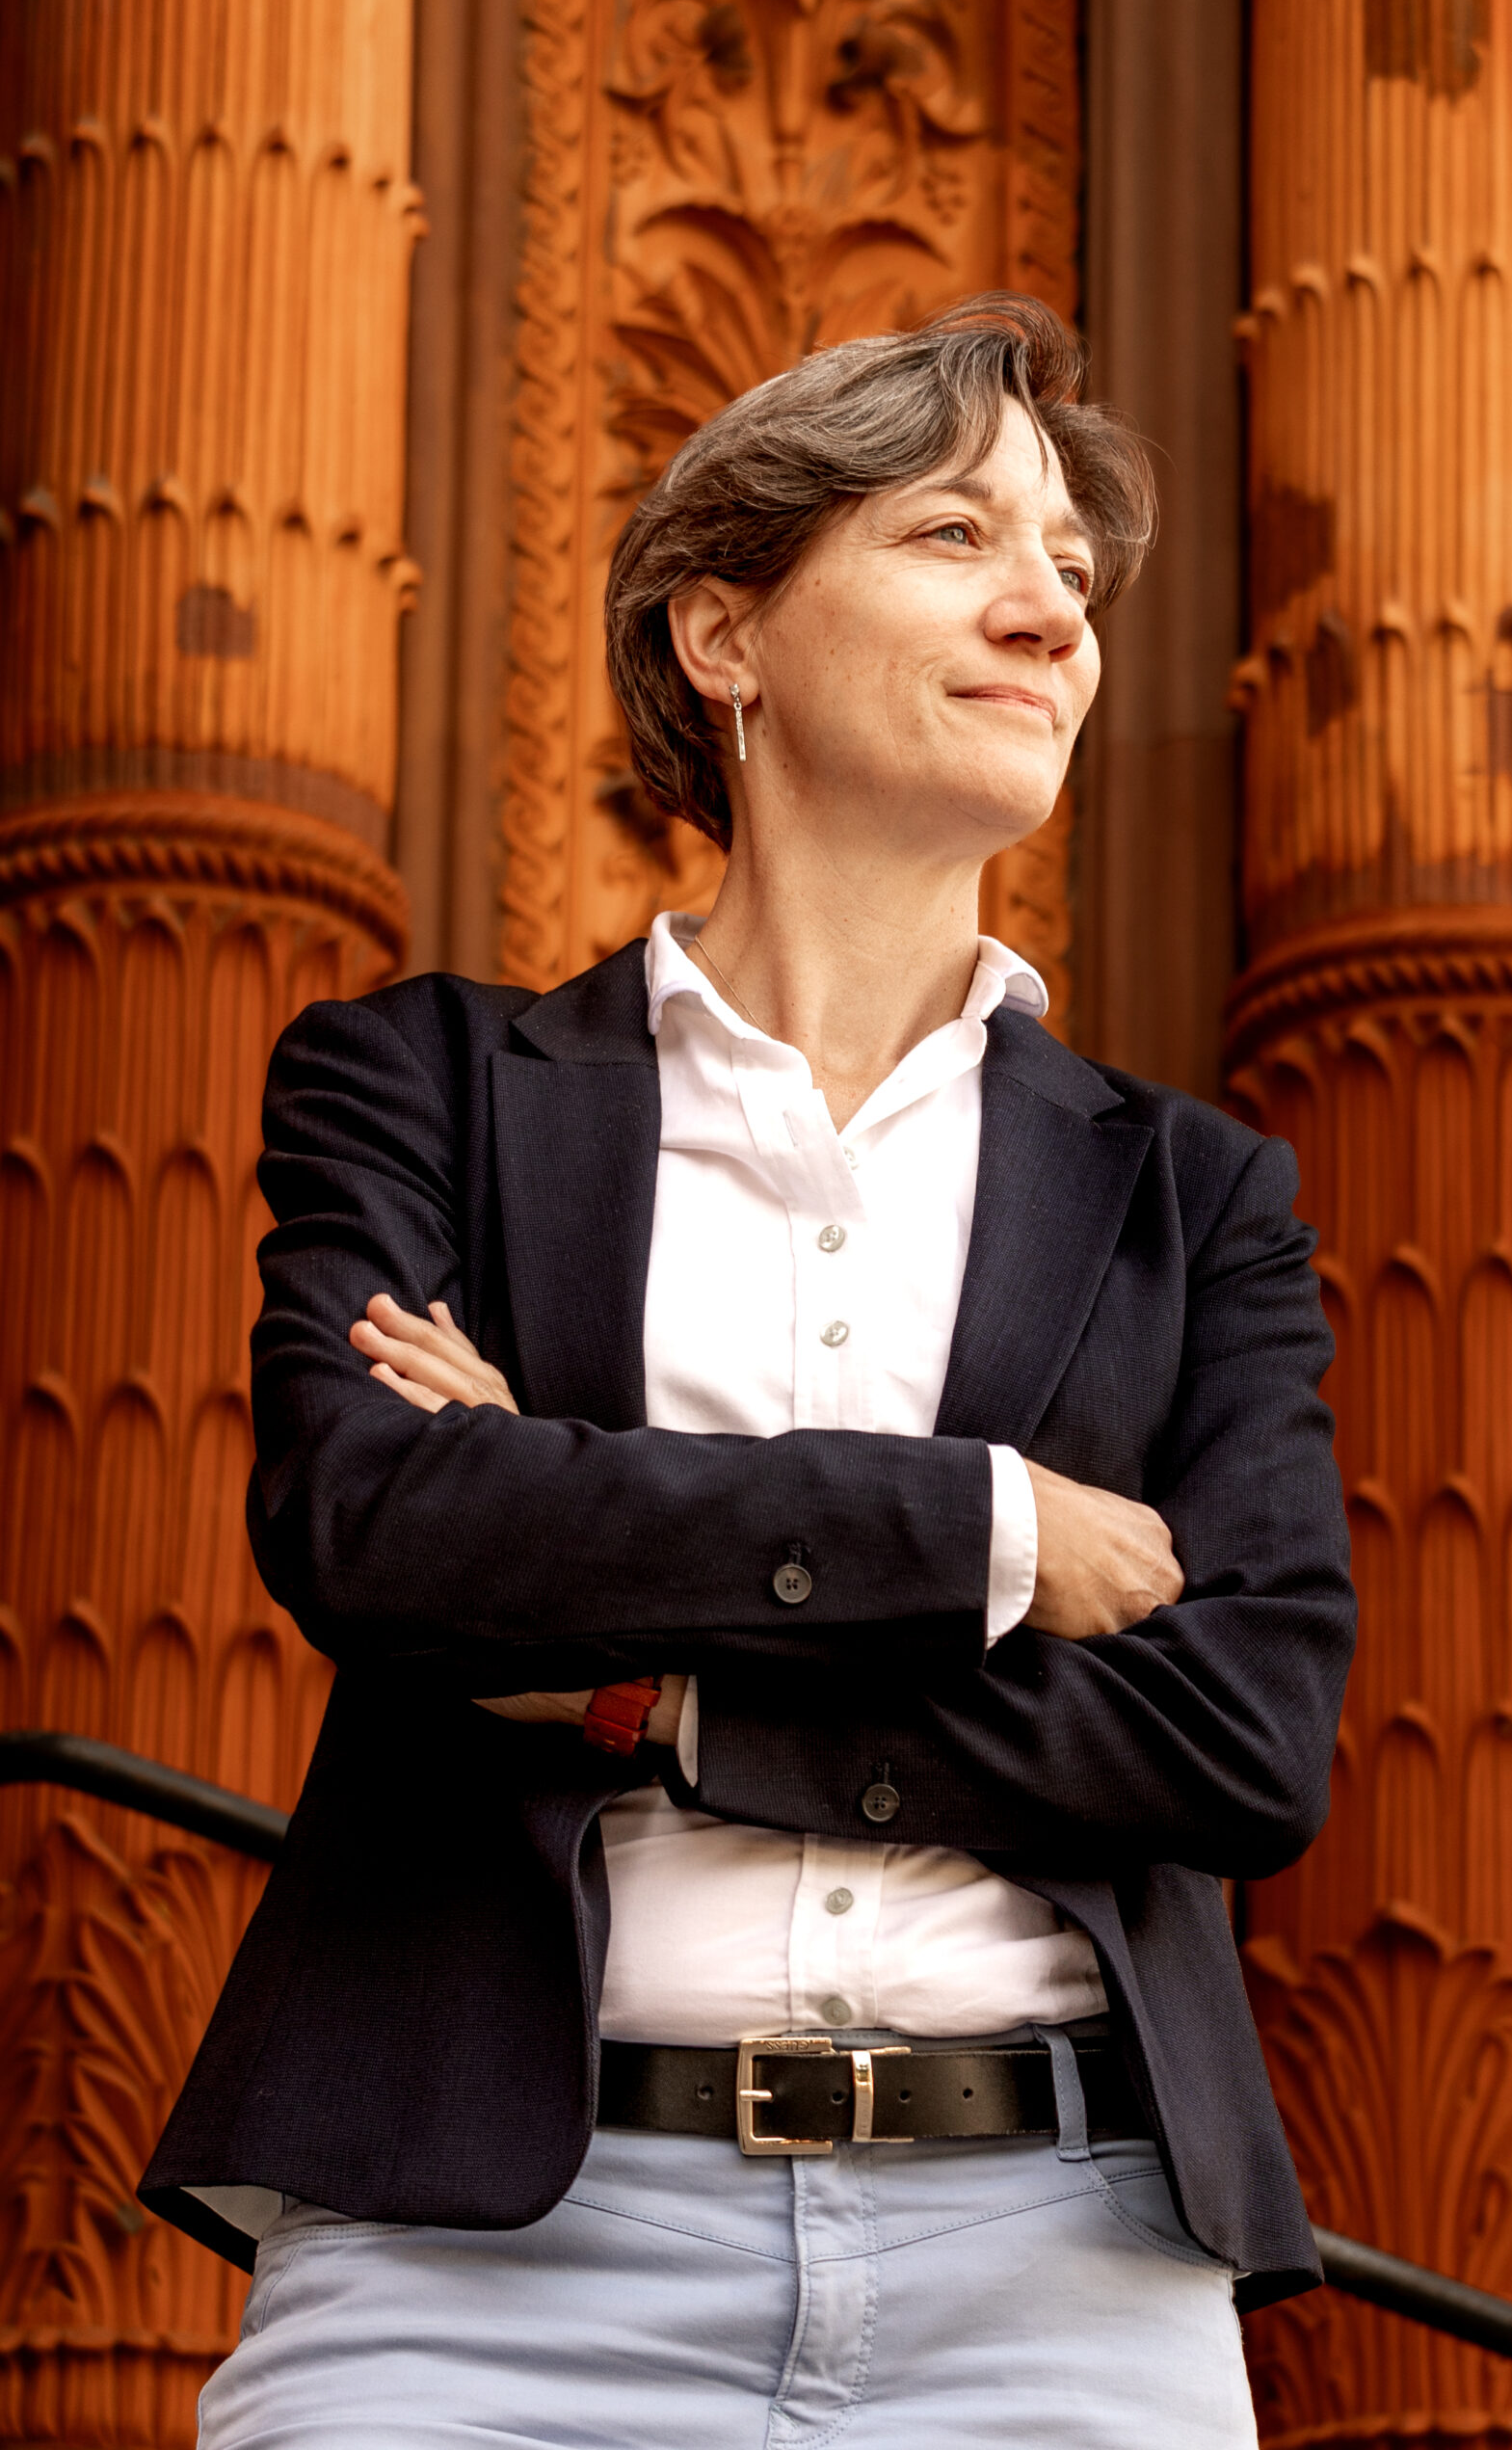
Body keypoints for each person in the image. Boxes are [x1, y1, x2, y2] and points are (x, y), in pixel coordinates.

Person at [143, 293, 1356, 2448]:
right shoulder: (424, 1086)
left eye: (1071, 571)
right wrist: (980, 1525)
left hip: (1057, 2263)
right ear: (724, 633)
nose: (1045, 610)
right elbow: (384, 1527)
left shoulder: (1196, 1195)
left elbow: (1237, 1740)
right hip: (475, 2257)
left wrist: (653, 1679)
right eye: (956, 537)